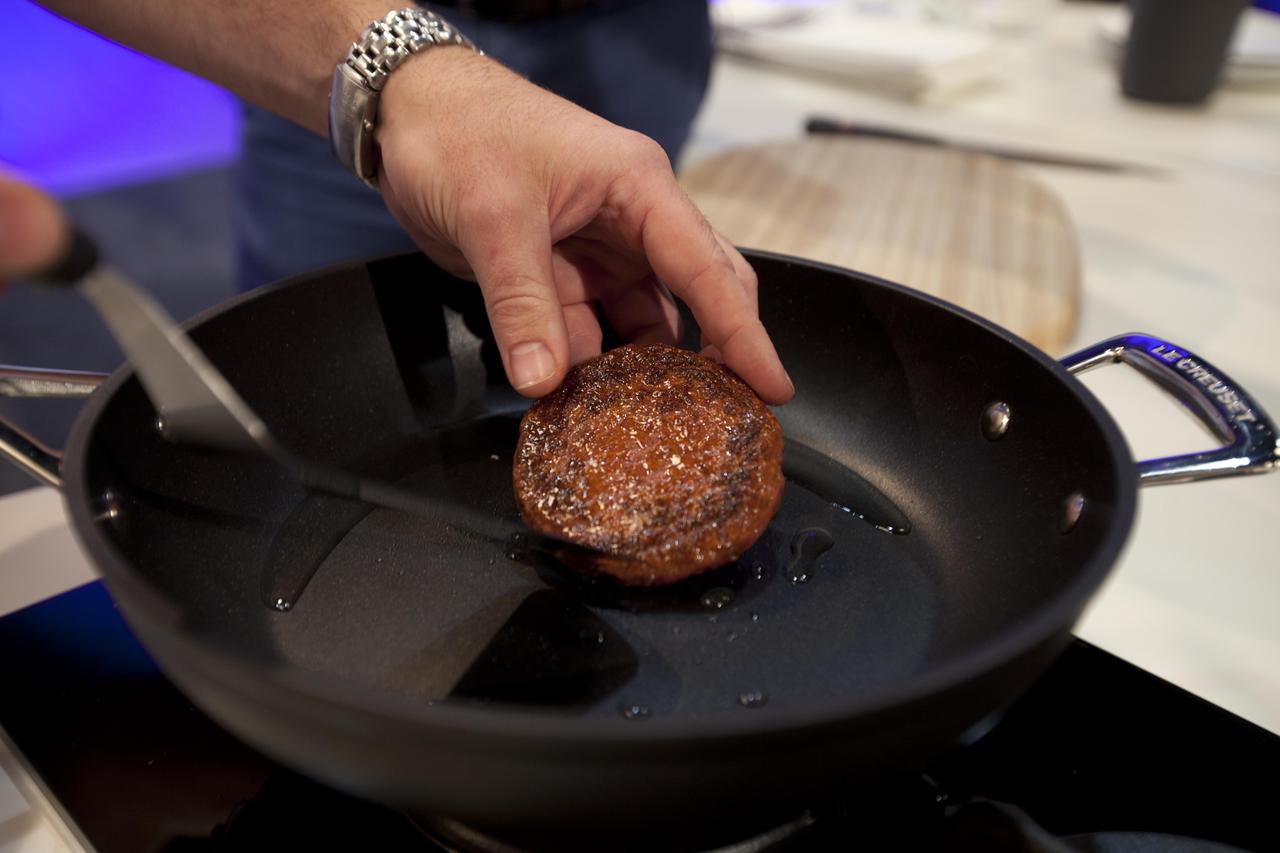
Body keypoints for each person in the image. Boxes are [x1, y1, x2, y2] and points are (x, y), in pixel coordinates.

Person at [25, 0, 793, 405]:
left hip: (638, 31)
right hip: (322, 32)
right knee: (314, 404)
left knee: (619, 311)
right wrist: (393, 72)